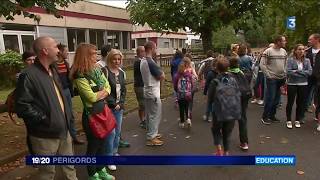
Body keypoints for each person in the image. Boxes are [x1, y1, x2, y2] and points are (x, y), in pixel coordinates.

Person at [15, 36, 78, 180]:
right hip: (44, 136)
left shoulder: (53, 70)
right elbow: (22, 106)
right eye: (55, 47)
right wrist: (45, 120)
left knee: (70, 167)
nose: (59, 51)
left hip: (64, 130)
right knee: (47, 173)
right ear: (44, 51)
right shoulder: (28, 75)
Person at [70, 43, 115, 180]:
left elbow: (108, 87)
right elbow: (91, 97)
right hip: (91, 116)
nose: (96, 56)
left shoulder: (97, 70)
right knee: (93, 147)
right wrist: (104, 92)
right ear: (85, 56)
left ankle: (101, 170)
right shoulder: (79, 75)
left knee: (101, 145)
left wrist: (103, 92)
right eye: (94, 54)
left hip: (102, 112)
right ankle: (92, 173)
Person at [208, 56, 240, 155]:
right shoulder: (233, 79)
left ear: (217, 68)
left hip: (219, 111)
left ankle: (219, 149)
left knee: (216, 130)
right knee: (227, 132)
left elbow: (210, 97)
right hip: (232, 110)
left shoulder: (215, 81)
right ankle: (226, 151)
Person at [56, 43, 84, 145]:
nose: (67, 53)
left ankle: (74, 137)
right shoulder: (53, 65)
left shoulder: (66, 64)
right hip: (58, 93)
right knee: (61, 116)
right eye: (66, 51)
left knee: (70, 115)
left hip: (67, 91)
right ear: (59, 52)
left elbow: (70, 78)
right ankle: (63, 139)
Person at [104, 49, 127, 171]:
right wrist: (113, 104)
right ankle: (108, 159)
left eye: (119, 59)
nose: (117, 61)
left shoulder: (122, 73)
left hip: (119, 107)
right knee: (110, 133)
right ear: (110, 59)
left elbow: (124, 90)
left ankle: (114, 152)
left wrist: (121, 103)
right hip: (109, 108)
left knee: (117, 132)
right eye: (114, 59)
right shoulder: (105, 72)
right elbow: (104, 90)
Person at [140, 41, 165, 146]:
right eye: (155, 48)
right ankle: (151, 137)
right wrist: (162, 75)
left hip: (147, 90)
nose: (156, 50)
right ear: (151, 49)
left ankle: (152, 133)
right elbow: (161, 75)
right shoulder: (150, 62)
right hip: (153, 92)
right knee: (155, 115)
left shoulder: (143, 60)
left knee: (150, 115)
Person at [260, 35, 287, 125]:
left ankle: (272, 115)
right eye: (283, 41)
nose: (285, 42)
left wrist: (285, 73)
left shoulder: (283, 51)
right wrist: (268, 75)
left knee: (277, 98)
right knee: (270, 97)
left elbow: (285, 63)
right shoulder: (268, 51)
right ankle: (265, 116)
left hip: (281, 78)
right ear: (278, 42)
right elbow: (262, 64)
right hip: (272, 78)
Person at [286, 44, 312, 129]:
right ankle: (289, 120)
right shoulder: (290, 60)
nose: (301, 51)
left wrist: (297, 71)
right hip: (292, 84)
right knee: (290, 102)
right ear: (295, 51)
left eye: (303, 49)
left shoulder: (307, 60)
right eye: (299, 49)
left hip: (303, 84)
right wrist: (302, 73)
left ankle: (297, 119)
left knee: (300, 103)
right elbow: (288, 71)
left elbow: (309, 72)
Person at [228, 57, 252, 150]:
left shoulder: (227, 75)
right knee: (242, 119)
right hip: (244, 97)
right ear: (238, 64)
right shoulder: (241, 73)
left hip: (233, 98)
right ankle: (244, 142)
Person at [173, 57, 194, 128]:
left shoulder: (176, 76)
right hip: (188, 94)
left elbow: (175, 86)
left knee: (181, 108)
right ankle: (188, 119)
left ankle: (182, 122)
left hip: (180, 95)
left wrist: (177, 91)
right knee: (187, 107)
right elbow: (192, 83)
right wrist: (190, 90)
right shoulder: (188, 75)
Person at [305, 34, 320, 120]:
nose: (308, 41)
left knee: (318, 98)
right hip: (308, 77)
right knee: (304, 95)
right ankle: (301, 115)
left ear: (317, 39)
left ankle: (317, 116)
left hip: (318, 77)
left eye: (310, 39)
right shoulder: (307, 51)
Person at [134, 46, 146, 129]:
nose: (144, 53)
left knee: (144, 104)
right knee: (142, 104)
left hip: (143, 85)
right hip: (139, 86)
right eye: (143, 51)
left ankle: (144, 119)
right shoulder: (138, 62)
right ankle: (142, 120)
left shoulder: (142, 61)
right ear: (139, 53)